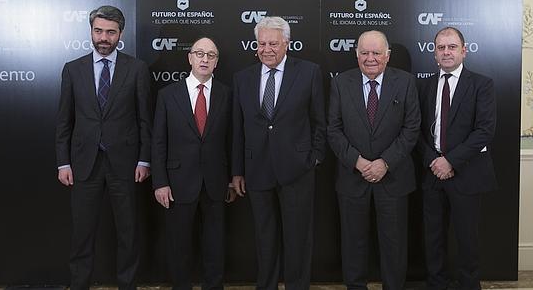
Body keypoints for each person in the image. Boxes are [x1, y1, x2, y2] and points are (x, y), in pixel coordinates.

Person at [55, 5, 152, 290]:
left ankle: (128, 285)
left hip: (126, 164)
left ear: (120, 34)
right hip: (85, 164)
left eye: (110, 32)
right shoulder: (73, 70)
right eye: (98, 31)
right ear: (91, 31)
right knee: (82, 234)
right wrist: (63, 162)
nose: (103, 38)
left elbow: (145, 119)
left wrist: (144, 160)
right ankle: (80, 284)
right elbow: (64, 120)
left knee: (128, 233)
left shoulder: (137, 69)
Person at [231, 16, 326, 290]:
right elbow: (238, 128)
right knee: (264, 237)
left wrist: (314, 157)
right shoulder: (242, 78)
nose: (267, 49)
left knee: (298, 238)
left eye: (273, 43)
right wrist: (238, 170)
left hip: (298, 170)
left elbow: (320, 121)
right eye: (261, 43)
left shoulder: (309, 72)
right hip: (257, 170)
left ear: (287, 43)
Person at [327, 30, 420, 290]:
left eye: (376, 53)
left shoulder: (406, 82)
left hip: (393, 178)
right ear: (356, 55)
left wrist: (385, 162)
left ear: (387, 56)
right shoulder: (340, 83)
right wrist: (357, 162)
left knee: (394, 245)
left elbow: (412, 128)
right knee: (353, 245)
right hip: (352, 177)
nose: (370, 58)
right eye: (364, 53)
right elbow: (333, 129)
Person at [417, 27, 497, 290]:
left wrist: (449, 161)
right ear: (435, 53)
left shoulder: (482, 85)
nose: (446, 52)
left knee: (467, 241)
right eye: (441, 47)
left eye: (452, 47)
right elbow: (415, 130)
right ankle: (436, 284)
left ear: (464, 50)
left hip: (467, 174)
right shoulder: (425, 85)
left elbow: (484, 131)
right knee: (433, 239)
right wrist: (434, 161)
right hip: (432, 173)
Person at [152, 37, 235, 290]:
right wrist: (160, 182)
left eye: (211, 55)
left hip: (216, 183)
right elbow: (158, 142)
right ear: (190, 58)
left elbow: (232, 140)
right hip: (178, 184)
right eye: (200, 53)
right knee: (179, 247)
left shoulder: (227, 94)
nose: (205, 59)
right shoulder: (167, 95)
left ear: (217, 62)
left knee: (215, 246)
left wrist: (232, 178)